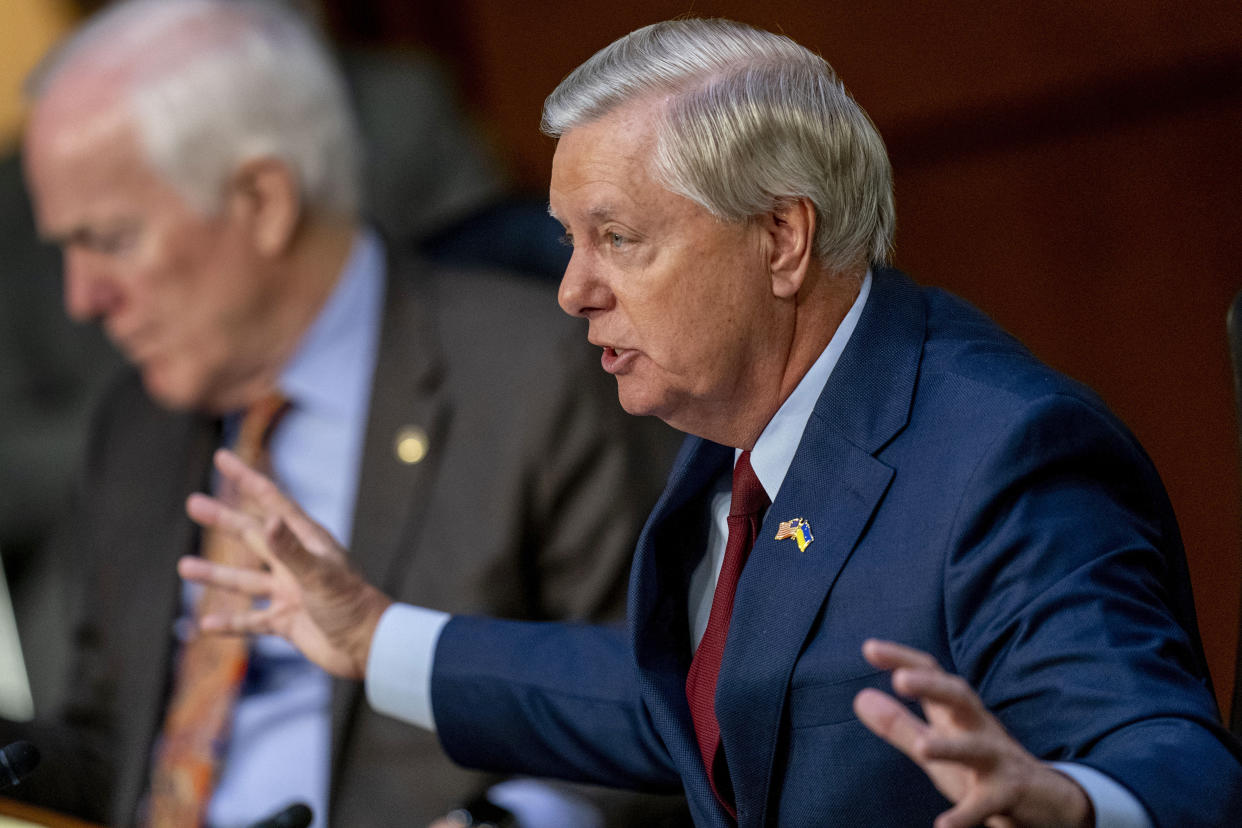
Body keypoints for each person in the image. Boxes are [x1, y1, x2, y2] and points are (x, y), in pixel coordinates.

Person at [182, 17, 1242, 828]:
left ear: (781, 238)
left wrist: (1077, 801)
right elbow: (693, 700)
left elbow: (1167, 750)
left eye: (618, 238)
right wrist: (374, 637)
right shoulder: (740, 424)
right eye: (568, 242)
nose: (571, 291)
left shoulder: (1005, 454)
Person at [9, 1, 683, 825]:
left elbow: (664, 696)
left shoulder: (535, 374)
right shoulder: (135, 423)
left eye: (109, 240)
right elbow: (116, 751)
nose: (83, 298)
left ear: (262, 200)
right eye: (65, 248)